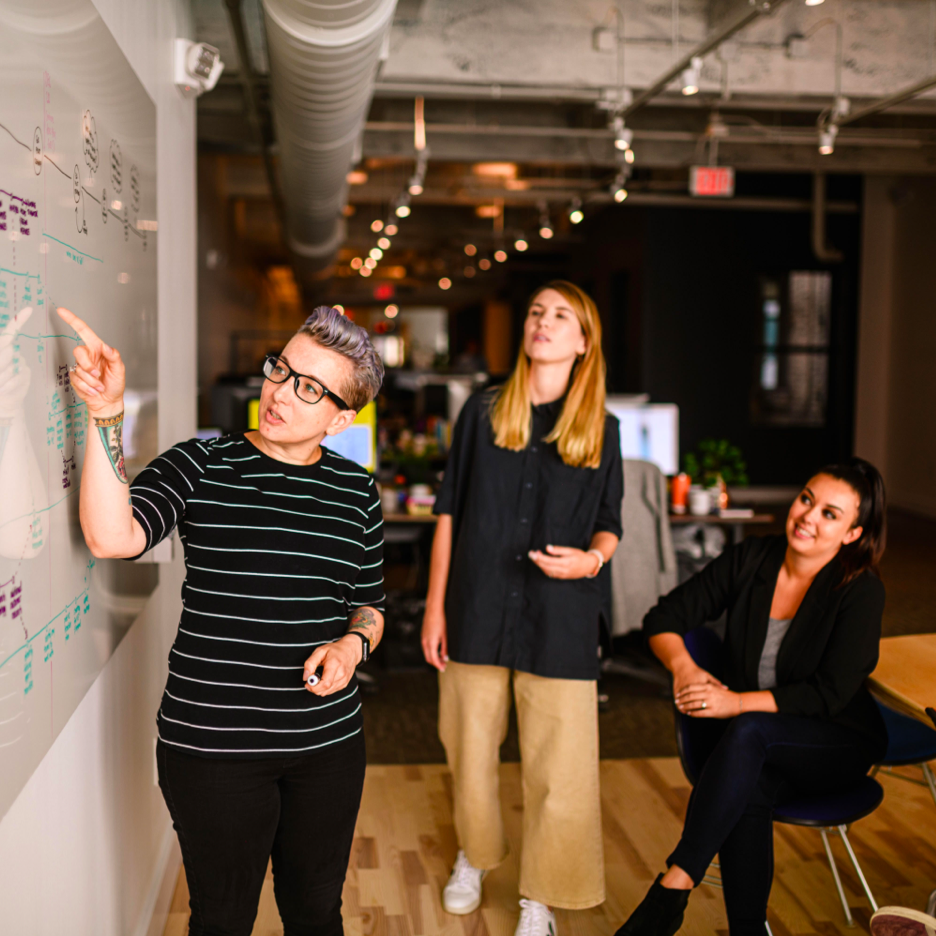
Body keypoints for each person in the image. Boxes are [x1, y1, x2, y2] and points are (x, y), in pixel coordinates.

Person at [59, 304, 385, 936]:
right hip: (212, 748)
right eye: (281, 369)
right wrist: (104, 416)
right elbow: (112, 535)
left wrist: (351, 645)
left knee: (317, 911)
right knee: (224, 917)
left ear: (343, 417)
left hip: (327, 747)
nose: (279, 393)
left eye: (309, 388)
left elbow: (368, 604)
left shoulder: (357, 492)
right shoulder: (203, 464)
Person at [421, 281, 624, 936]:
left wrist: (591, 560)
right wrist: (433, 608)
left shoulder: (602, 427)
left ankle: (541, 892)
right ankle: (474, 856)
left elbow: (610, 523)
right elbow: (448, 511)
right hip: (476, 605)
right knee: (469, 744)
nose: (543, 322)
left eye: (561, 315)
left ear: (583, 342)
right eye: (536, 311)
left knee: (559, 764)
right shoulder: (481, 414)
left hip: (561, 612)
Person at [616, 458, 889, 936]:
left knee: (748, 730)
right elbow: (663, 618)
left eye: (830, 513)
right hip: (755, 744)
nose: (808, 517)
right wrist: (685, 669)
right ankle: (747, 930)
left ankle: (671, 889)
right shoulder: (752, 559)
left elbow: (828, 694)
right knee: (750, 782)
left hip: (836, 742)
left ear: (852, 533)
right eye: (807, 499)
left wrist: (736, 703)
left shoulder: (860, 591)